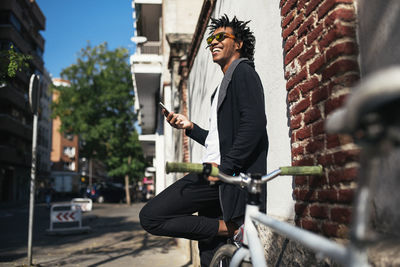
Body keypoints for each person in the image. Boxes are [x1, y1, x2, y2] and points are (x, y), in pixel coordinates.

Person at [139, 14, 268, 266]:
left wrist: (225, 169)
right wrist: (190, 128)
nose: (213, 42)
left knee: (151, 216)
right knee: (211, 257)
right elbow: (221, 141)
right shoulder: (223, 85)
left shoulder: (243, 72)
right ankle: (227, 228)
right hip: (219, 174)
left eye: (221, 37)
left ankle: (231, 228)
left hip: (222, 176)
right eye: (211, 38)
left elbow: (254, 125)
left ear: (238, 43)